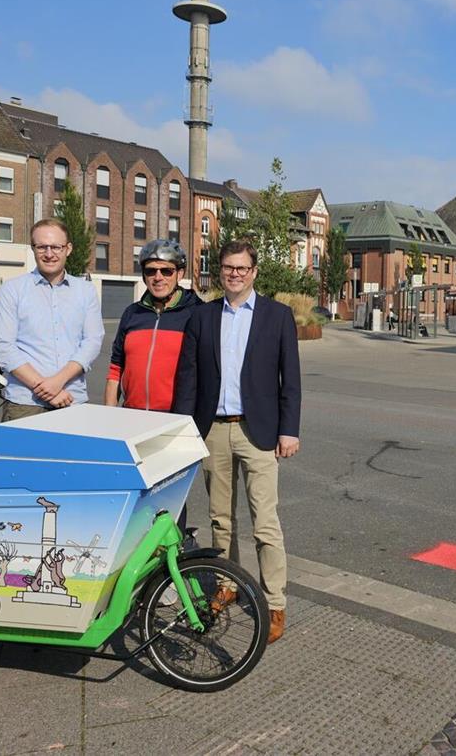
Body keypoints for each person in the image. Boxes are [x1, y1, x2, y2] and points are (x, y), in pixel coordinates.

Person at [175, 240, 301, 645]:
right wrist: (184, 429)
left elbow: (290, 380)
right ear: (220, 270)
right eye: (229, 267)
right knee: (220, 519)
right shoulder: (202, 316)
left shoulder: (277, 316)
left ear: (254, 272)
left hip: (258, 432)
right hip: (213, 429)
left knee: (265, 523)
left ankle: (274, 602)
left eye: (242, 268)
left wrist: (289, 430)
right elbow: (188, 378)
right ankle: (227, 585)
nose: (235, 274)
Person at [0, 218, 104, 421]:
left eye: (56, 247)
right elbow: (4, 347)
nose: (49, 254)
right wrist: (46, 388)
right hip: (25, 403)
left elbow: (92, 341)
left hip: (71, 398)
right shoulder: (12, 289)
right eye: (42, 247)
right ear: (33, 249)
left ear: (68, 249)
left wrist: (57, 382)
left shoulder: (86, 291)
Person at [104, 239, 201, 412]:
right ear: (144, 275)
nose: (158, 277)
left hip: (175, 417)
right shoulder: (132, 313)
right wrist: (109, 414)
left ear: (179, 274)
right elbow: (116, 368)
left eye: (166, 271)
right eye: (150, 271)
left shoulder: (196, 313)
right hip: (132, 413)